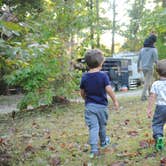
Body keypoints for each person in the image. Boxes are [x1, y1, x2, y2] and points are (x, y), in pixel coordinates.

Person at [80, 49, 119, 158]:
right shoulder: (103, 76)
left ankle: (93, 149)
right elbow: (109, 89)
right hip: (102, 107)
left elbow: (82, 92)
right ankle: (103, 142)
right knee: (102, 126)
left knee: (93, 127)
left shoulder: (85, 77)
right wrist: (115, 101)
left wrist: (85, 99)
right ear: (101, 63)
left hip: (90, 107)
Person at [147, 59, 166, 151]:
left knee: (157, 124)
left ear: (157, 73)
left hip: (161, 107)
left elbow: (152, 97)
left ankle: (159, 137)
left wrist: (149, 109)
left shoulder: (156, 84)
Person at [137, 33, 158, 101]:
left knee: (148, 81)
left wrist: (138, 67)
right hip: (149, 68)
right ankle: (143, 96)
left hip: (143, 68)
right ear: (153, 42)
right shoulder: (153, 50)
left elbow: (138, 60)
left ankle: (150, 94)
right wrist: (161, 66)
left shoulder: (142, 49)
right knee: (147, 82)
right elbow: (156, 61)